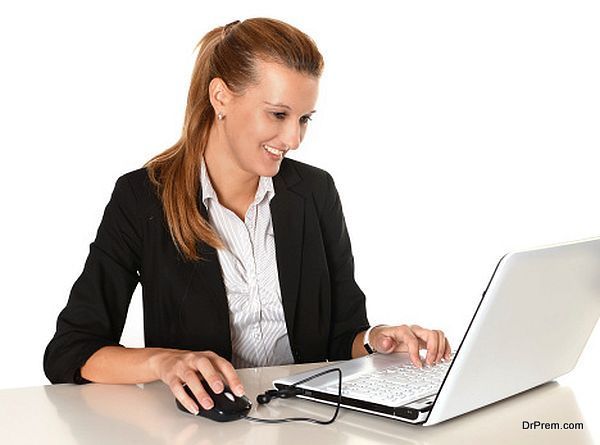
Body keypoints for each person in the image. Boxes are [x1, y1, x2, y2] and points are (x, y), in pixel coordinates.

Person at [44, 17, 451, 416]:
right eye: (278, 114)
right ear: (220, 97)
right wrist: (163, 362)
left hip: (309, 425)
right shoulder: (143, 198)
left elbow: (343, 334)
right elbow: (71, 351)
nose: (293, 139)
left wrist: (375, 341)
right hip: (207, 429)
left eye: (304, 119)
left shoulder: (314, 192)